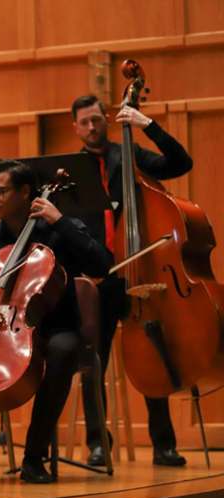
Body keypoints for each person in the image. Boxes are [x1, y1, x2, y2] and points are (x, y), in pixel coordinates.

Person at [0, 158, 112, 484]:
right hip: (2, 329)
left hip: (54, 328)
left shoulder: (60, 231)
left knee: (63, 350)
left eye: (0, 192)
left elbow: (101, 264)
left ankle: (34, 457)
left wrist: (60, 221)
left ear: (26, 192)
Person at [71, 94, 193, 468]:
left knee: (151, 350)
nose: (92, 127)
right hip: (98, 276)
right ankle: (97, 442)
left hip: (139, 270)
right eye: (85, 122)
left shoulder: (130, 153)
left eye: (97, 120)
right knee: (93, 358)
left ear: (106, 120)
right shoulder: (70, 170)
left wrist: (147, 125)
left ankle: (164, 443)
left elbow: (180, 163)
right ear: (75, 127)